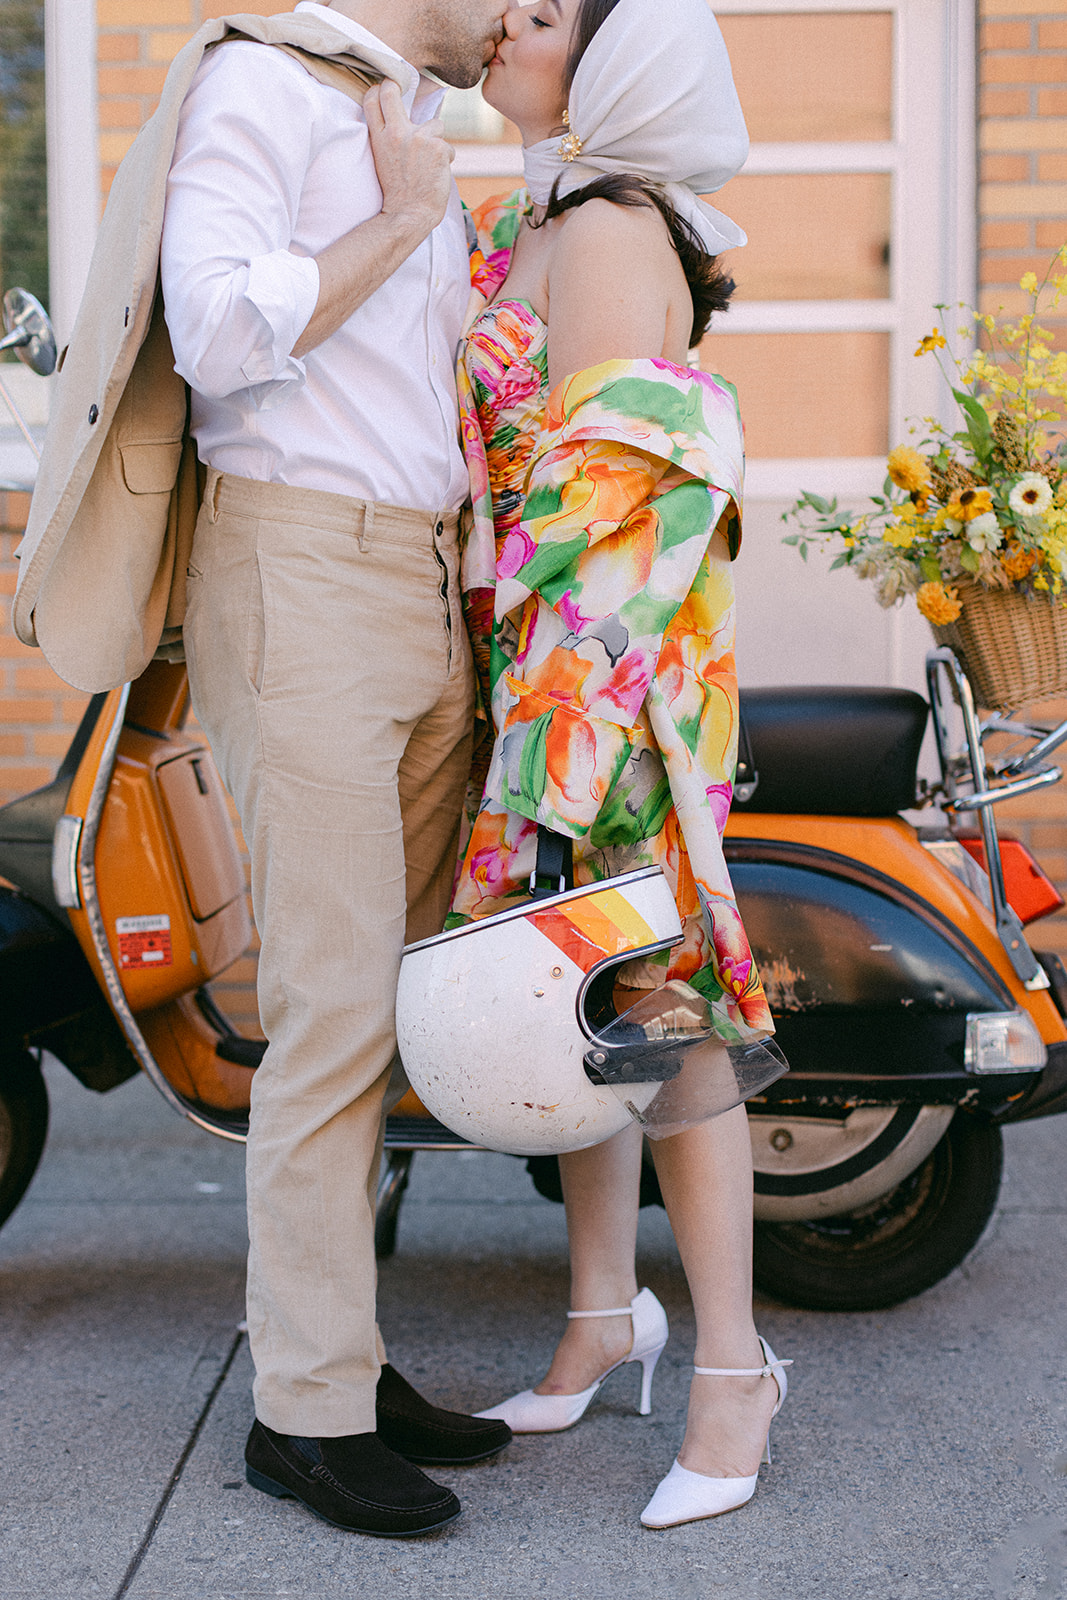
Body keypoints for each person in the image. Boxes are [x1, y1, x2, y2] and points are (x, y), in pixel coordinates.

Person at [158, 0, 515, 1538]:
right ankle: (301, 1416)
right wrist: (408, 221)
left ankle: (347, 1367)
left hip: (423, 582)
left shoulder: (403, 117)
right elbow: (217, 329)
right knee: (331, 1005)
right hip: (300, 570)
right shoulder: (261, 85)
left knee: (397, 1002)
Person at [449, 0, 792, 1529]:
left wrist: (546, 751)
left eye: (538, 15)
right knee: (573, 1009)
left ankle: (733, 1373)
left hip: (602, 696)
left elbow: (591, 522)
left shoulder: (600, 223)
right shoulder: (555, 208)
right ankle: (603, 1318)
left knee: (664, 1023)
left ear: (610, 73)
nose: (504, 20)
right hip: (562, 677)